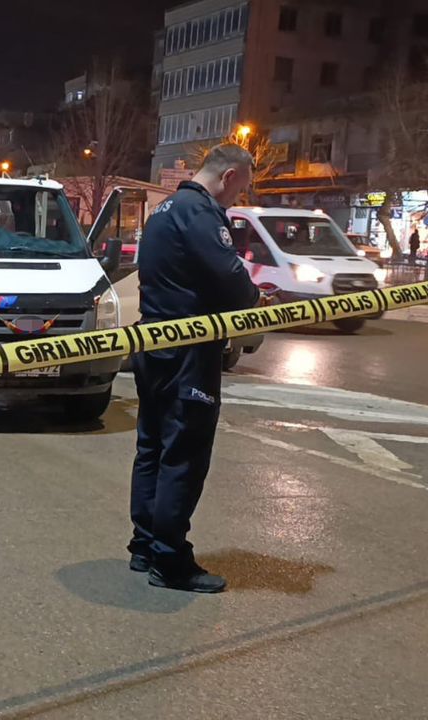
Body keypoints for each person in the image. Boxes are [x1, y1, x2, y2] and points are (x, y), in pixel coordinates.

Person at [127, 144, 261, 594]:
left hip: (154, 344)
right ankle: (170, 560)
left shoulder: (164, 210)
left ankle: (144, 545)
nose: (236, 199)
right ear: (228, 176)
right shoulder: (200, 214)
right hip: (188, 352)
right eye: (239, 189)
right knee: (183, 455)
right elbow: (232, 281)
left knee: (152, 447)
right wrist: (254, 298)